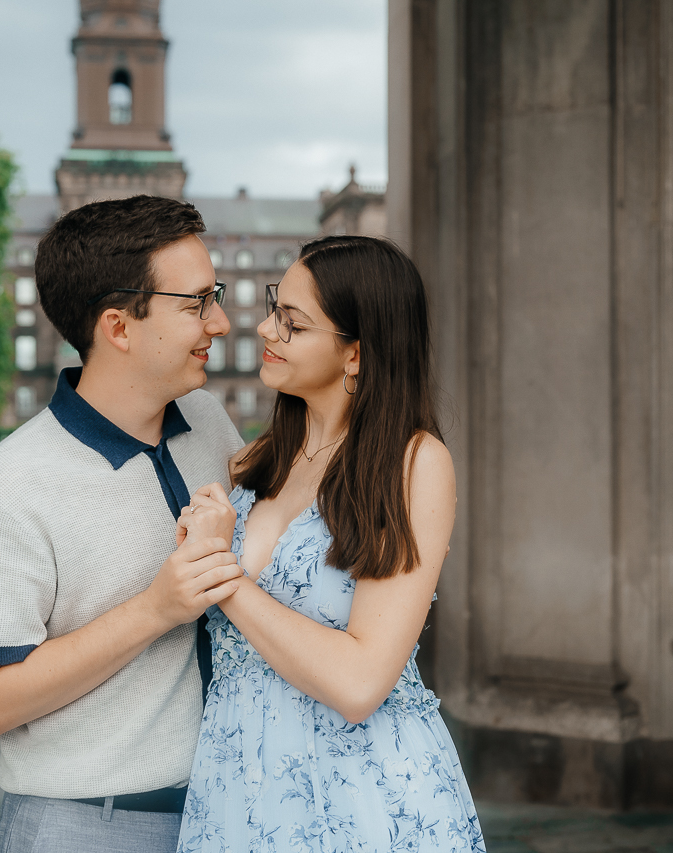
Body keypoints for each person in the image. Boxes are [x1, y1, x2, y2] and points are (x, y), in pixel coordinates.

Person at [0, 195, 247, 853]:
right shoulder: (9, 487)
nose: (220, 322)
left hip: (232, 811)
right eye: (196, 302)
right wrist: (154, 609)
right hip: (88, 827)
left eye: (215, 294)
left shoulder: (210, 423)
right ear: (119, 326)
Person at [175, 236, 486, 852]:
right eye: (274, 308)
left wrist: (222, 576)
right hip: (238, 785)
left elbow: (360, 682)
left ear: (356, 355)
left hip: (361, 792)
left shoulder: (414, 463)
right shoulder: (254, 460)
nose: (265, 329)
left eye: (293, 323)